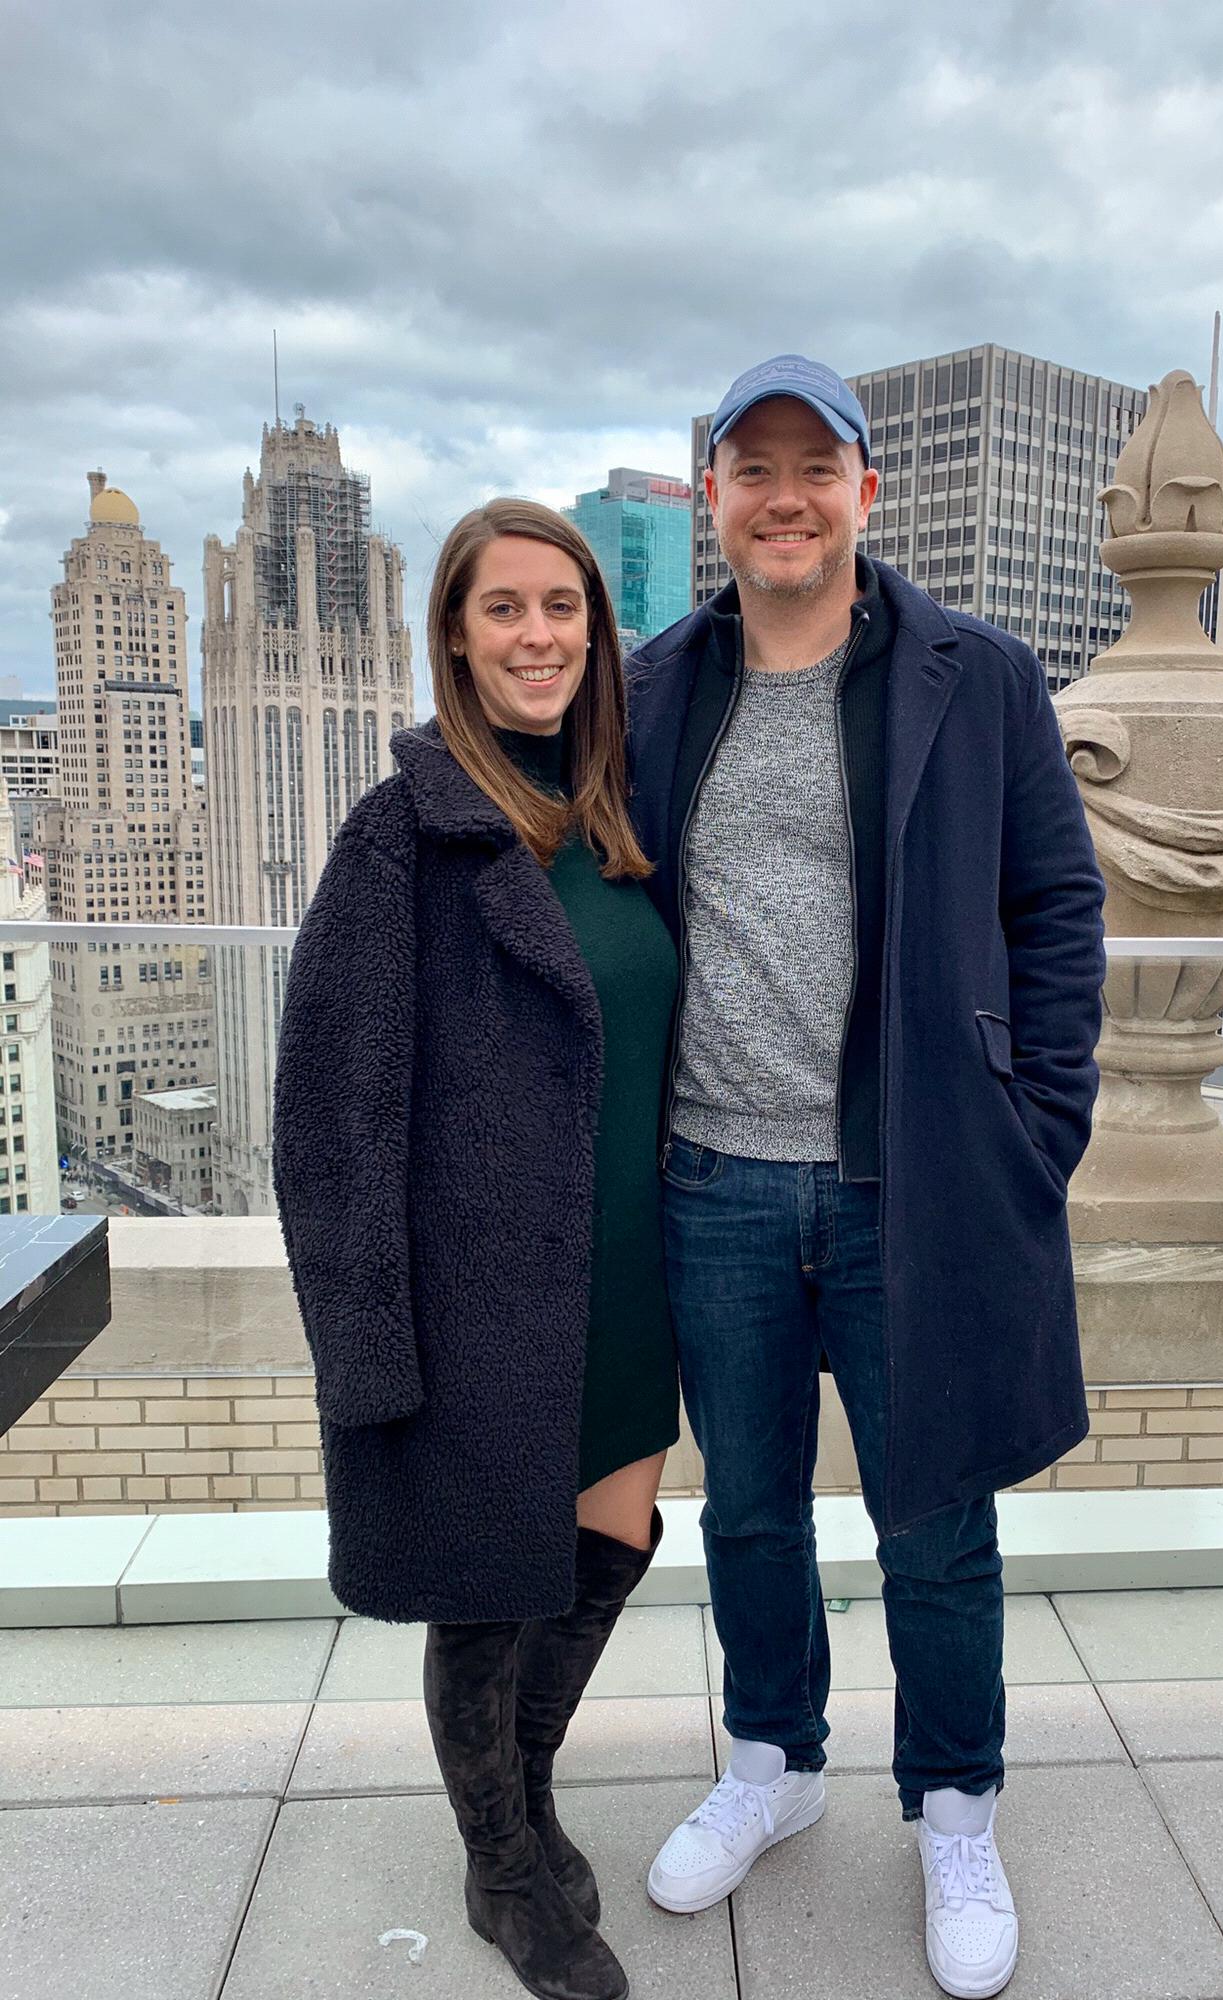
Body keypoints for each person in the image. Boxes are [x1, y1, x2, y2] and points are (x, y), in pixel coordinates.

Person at [625, 355, 1106, 1998]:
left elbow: (1057, 910)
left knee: (936, 1524)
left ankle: (955, 1808)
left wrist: (1039, 1128)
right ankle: (775, 1760)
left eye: (811, 466)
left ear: (864, 492)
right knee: (748, 1512)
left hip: (917, 1187)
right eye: (748, 468)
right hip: (713, 1184)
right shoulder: (656, 684)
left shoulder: (980, 676)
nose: (781, 495)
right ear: (713, 500)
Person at [272, 498, 681, 2000]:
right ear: (454, 630)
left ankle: (527, 1781)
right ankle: (503, 1863)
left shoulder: (619, 821)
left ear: (595, 632)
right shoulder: (408, 831)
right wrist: (367, 1344)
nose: (538, 635)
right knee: (490, 1582)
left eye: (563, 608)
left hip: (630, 1275)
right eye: (505, 608)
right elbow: (328, 1116)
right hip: (483, 1295)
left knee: (614, 1538)